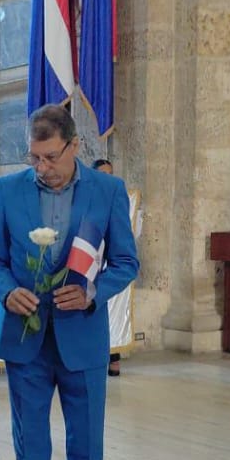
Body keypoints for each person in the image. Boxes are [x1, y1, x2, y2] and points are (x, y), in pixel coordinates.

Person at [0, 105, 138, 460]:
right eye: (34, 157)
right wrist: (7, 290)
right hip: (25, 339)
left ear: (74, 147)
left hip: (82, 338)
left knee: (85, 447)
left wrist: (94, 292)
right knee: (32, 449)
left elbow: (126, 262)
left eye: (51, 156)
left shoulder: (108, 191)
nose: (42, 167)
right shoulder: (8, 190)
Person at [91, 158, 127, 378]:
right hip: (91, 272)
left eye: (111, 174)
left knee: (116, 316)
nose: (108, 179)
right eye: (103, 174)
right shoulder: (88, 201)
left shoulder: (116, 197)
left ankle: (115, 360)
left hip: (109, 275)